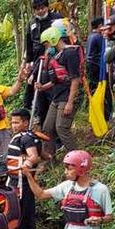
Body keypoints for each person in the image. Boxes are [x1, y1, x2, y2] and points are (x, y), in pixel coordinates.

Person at [38, 26, 82, 157]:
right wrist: (42, 87)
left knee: (62, 127)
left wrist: (70, 102)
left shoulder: (70, 53)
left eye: (46, 44)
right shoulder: (56, 57)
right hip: (56, 97)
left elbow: (75, 79)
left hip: (66, 96)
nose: (46, 47)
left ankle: (77, 158)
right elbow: (55, 81)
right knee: (47, 128)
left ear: (53, 40)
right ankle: (50, 157)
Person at [7, 109, 44, 229]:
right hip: (14, 181)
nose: (13, 125)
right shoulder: (19, 137)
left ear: (25, 122)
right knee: (17, 212)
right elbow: (43, 155)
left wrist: (27, 164)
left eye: (16, 122)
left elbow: (34, 156)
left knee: (25, 214)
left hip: (24, 183)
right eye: (12, 122)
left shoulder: (26, 138)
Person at [24, 0, 64, 125]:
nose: (40, 11)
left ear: (47, 7)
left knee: (52, 87)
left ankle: (55, 120)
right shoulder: (31, 23)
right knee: (34, 87)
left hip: (55, 58)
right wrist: (28, 61)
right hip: (38, 61)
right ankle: (39, 117)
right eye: (37, 8)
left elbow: (65, 34)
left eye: (42, 7)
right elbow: (29, 44)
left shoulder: (57, 19)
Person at [86, 18, 113, 120]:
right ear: (100, 26)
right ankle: (104, 114)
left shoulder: (90, 36)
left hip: (91, 66)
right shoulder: (99, 37)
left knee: (94, 90)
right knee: (104, 91)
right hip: (98, 67)